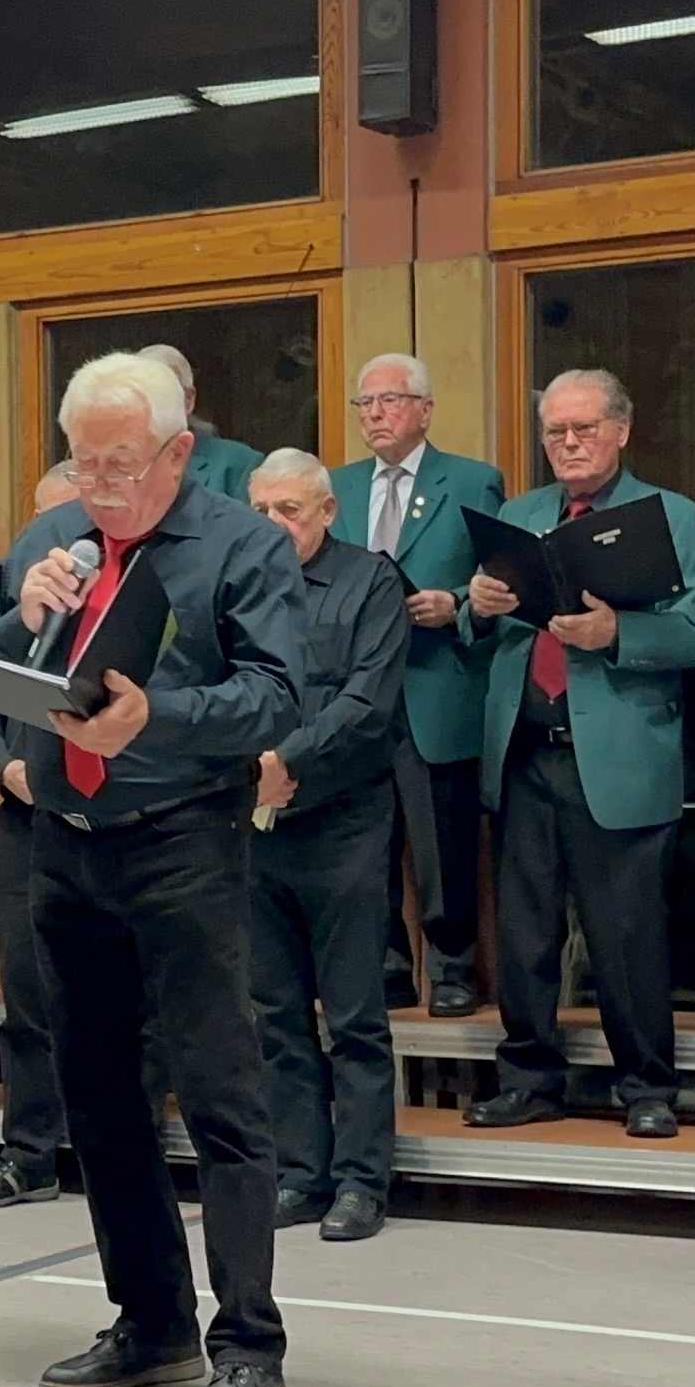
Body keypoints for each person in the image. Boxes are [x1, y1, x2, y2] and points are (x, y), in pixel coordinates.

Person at [0, 348, 305, 1387]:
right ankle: (151, 1319)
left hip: (184, 842)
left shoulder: (242, 545)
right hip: (63, 846)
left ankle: (248, 1344)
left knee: (218, 1092)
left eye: (121, 464)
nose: (100, 485)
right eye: (84, 464)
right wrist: (20, 618)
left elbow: (275, 696)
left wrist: (154, 717)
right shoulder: (50, 539)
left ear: (177, 452)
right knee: (98, 1094)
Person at [459, 369, 695, 1142]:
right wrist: (479, 606)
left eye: (584, 429)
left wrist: (619, 635)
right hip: (524, 749)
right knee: (524, 935)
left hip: (617, 754)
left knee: (626, 935)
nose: (568, 444)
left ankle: (647, 1087)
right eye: (555, 432)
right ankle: (528, 1080)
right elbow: (480, 626)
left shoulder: (672, 516)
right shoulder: (520, 514)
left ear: (622, 431)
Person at [244, 450, 408, 1241]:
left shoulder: (369, 582)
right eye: (262, 512)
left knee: (353, 1015)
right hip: (256, 824)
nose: (275, 525)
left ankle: (361, 1182)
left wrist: (287, 759)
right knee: (275, 1011)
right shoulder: (239, 587)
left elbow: (367, 701)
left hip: (344, 821)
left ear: (327, 511)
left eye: (291, 510)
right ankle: (300, 1174)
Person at [329, 352, 503, 1016]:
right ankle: (385, 967)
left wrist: (454, 602)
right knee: (363, 839)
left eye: (390, 400)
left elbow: (498, 577)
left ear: (425, 410)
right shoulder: (338, 487)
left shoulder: (472, 481)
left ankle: (452, 967)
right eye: (365, 403)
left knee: (442, 839)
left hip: (436, 680)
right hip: (358, 688)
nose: (375, 414)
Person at [0, 464, 85, 1209]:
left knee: (120, 999)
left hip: (104, 821)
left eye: (63, 520)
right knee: (26, 998)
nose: (49, 536)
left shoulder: (123, 592)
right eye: (39, 520)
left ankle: (119, 1156)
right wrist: (3, 769)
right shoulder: (8, 589)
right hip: (23, 819)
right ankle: (29, 1155)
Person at [140, 343, 266, 500]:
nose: (150, 405)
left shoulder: (239, 463)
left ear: (188, 400)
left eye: (162, 394)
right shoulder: (115, 464)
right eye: (140, 396)